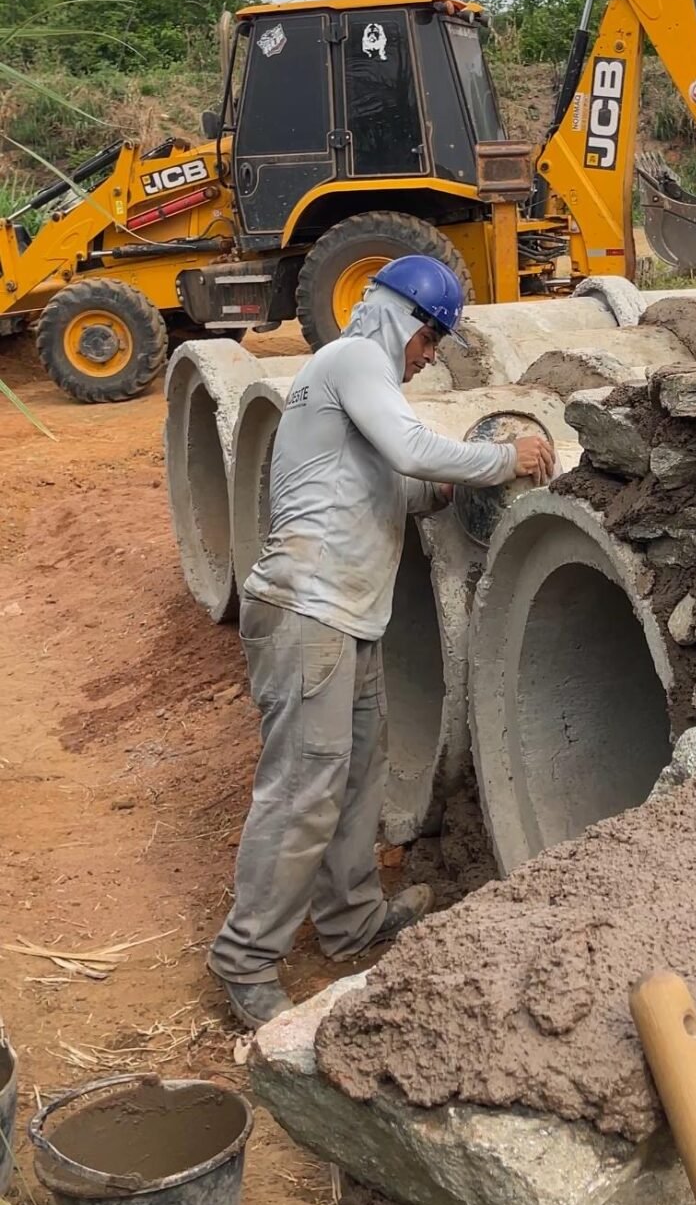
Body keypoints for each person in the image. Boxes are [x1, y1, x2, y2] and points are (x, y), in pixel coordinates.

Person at [209, 256, 555, 1027]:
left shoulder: (352, 383)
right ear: (402, 317)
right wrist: (505, 458)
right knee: (303, 790)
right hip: (307, 612)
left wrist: (448, 490)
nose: (429, 355)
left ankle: (349, 922)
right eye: (430, 338)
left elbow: (388, 485)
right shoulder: (355, 356)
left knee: (356, 775)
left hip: (345, 616)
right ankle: (244, 959)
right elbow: (407, 450)